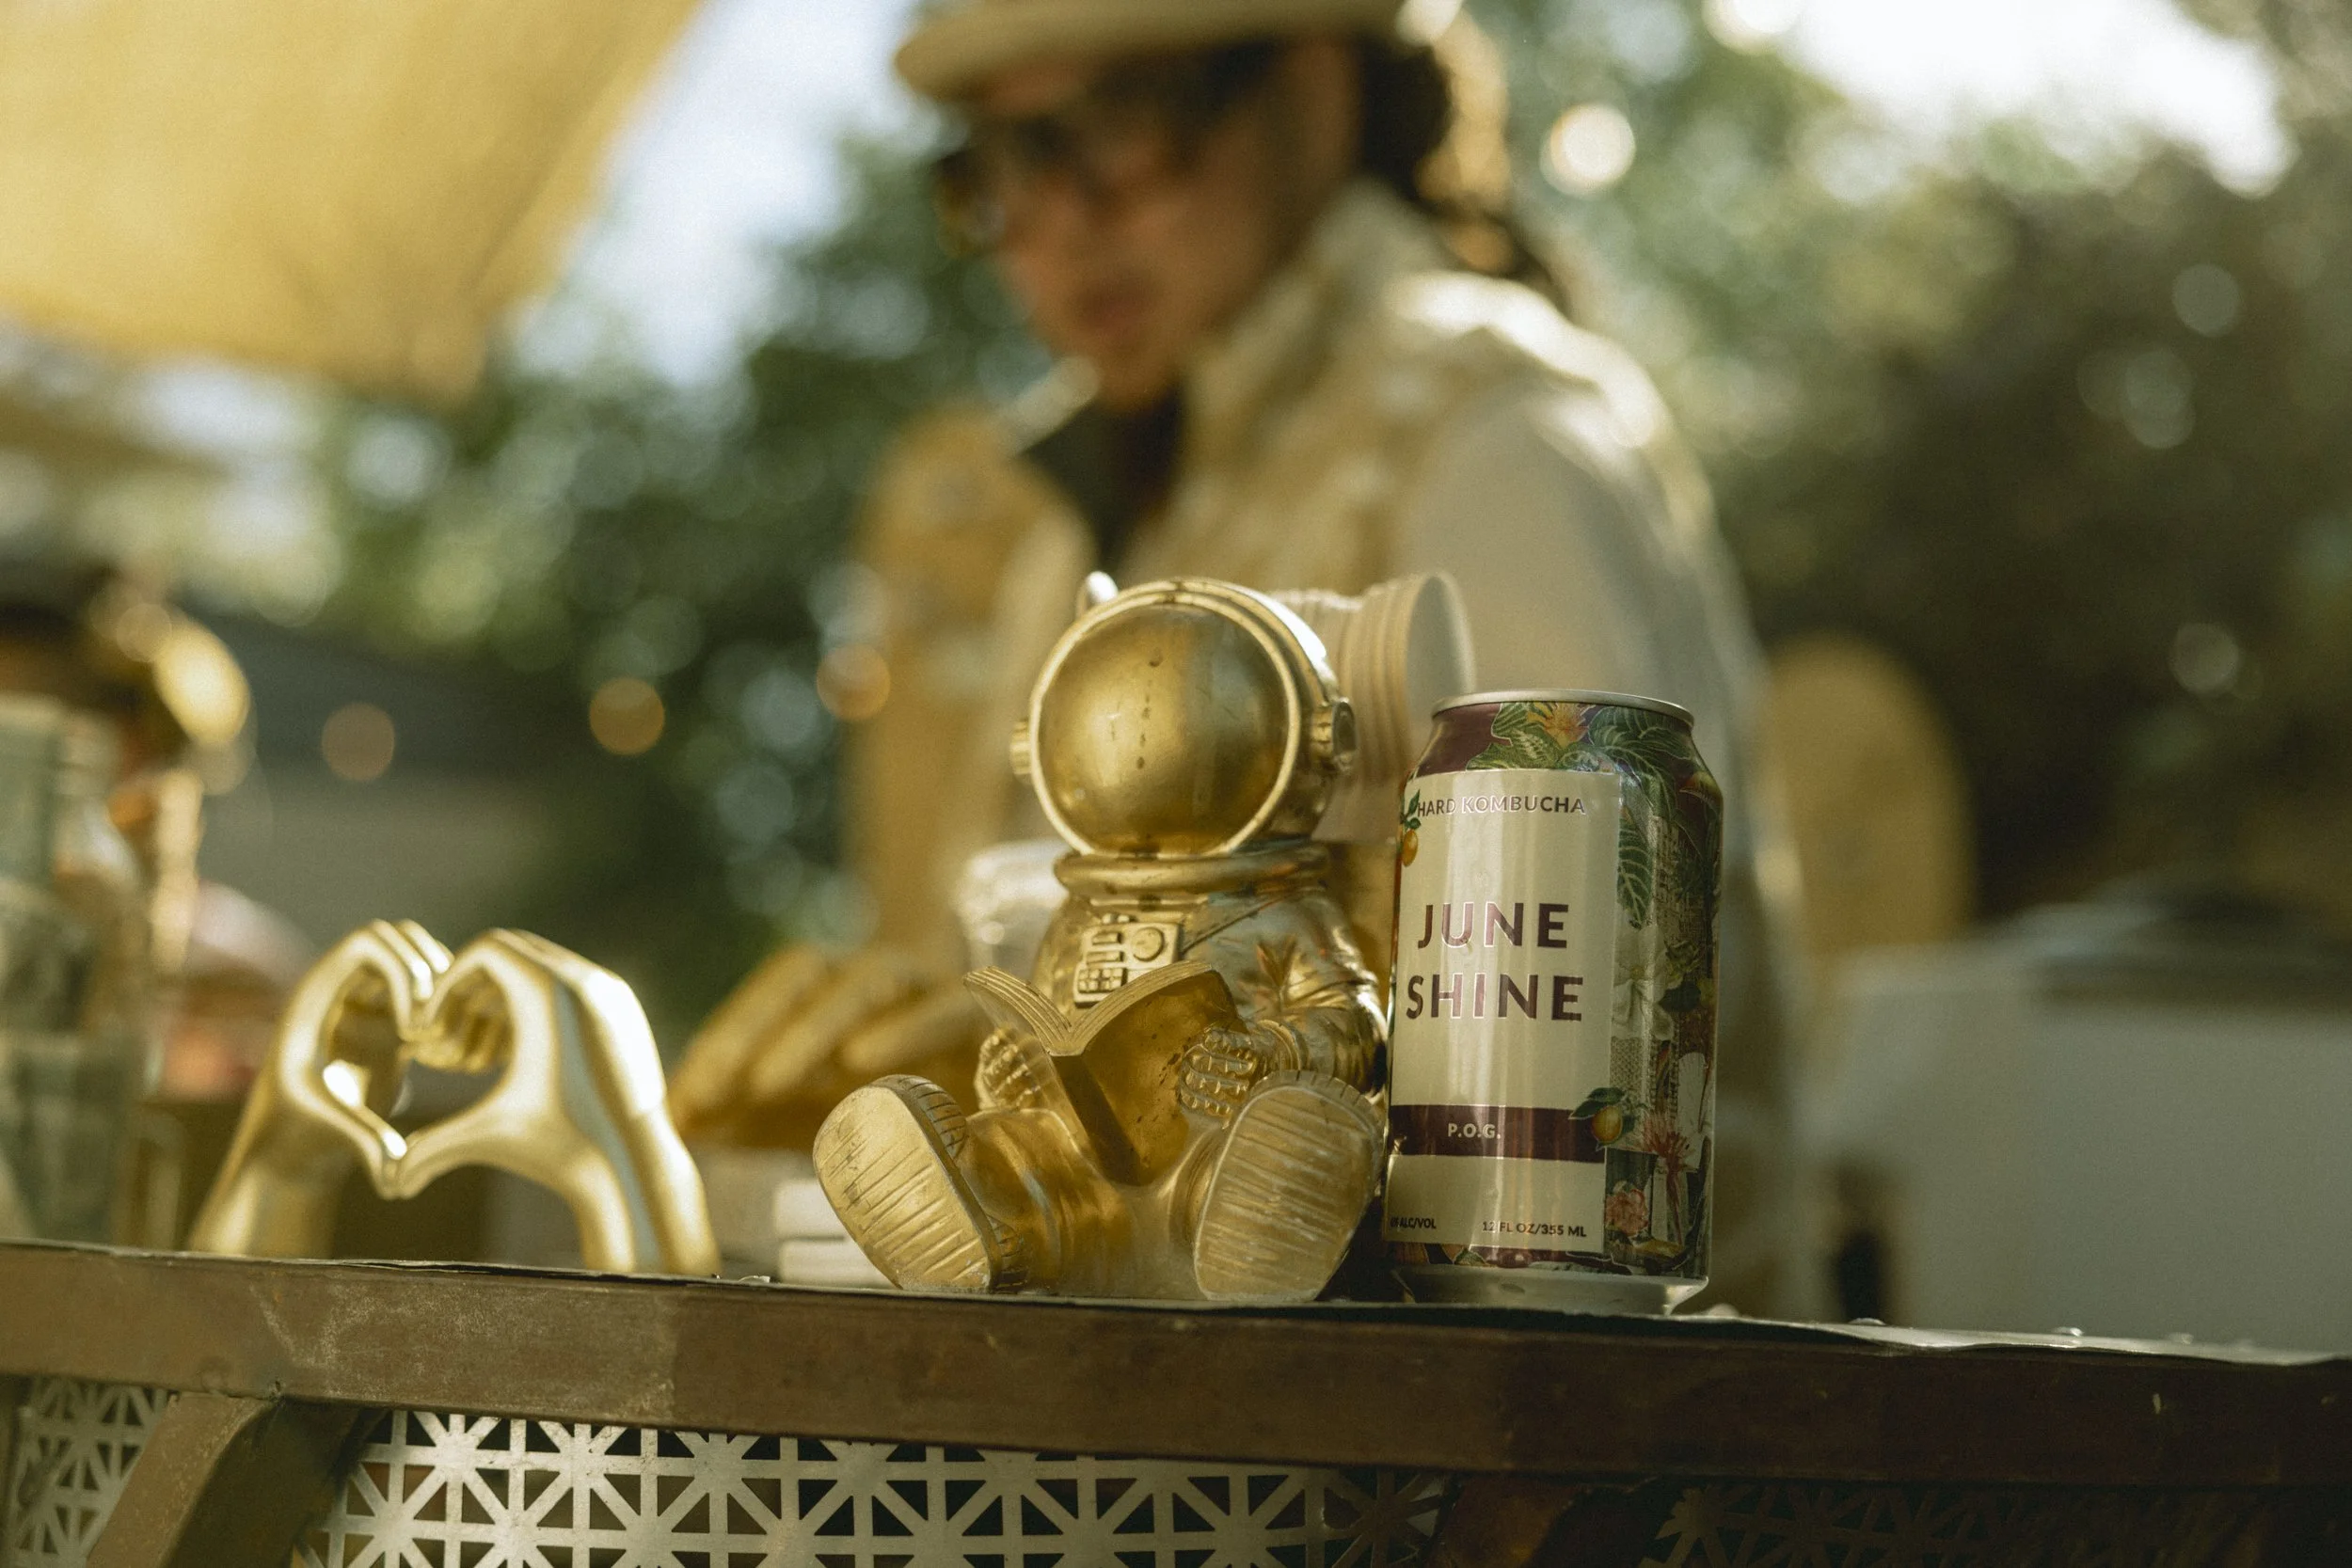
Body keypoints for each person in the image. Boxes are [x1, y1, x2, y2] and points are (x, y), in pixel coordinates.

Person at [672, 0, 1807, 1309]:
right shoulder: (1088, 513)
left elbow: (1557, 1145)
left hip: (1527, 1476)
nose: (1051, 222)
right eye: (995, 163)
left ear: (1314, 89)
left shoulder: (1499, 442)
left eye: (1111, 129)